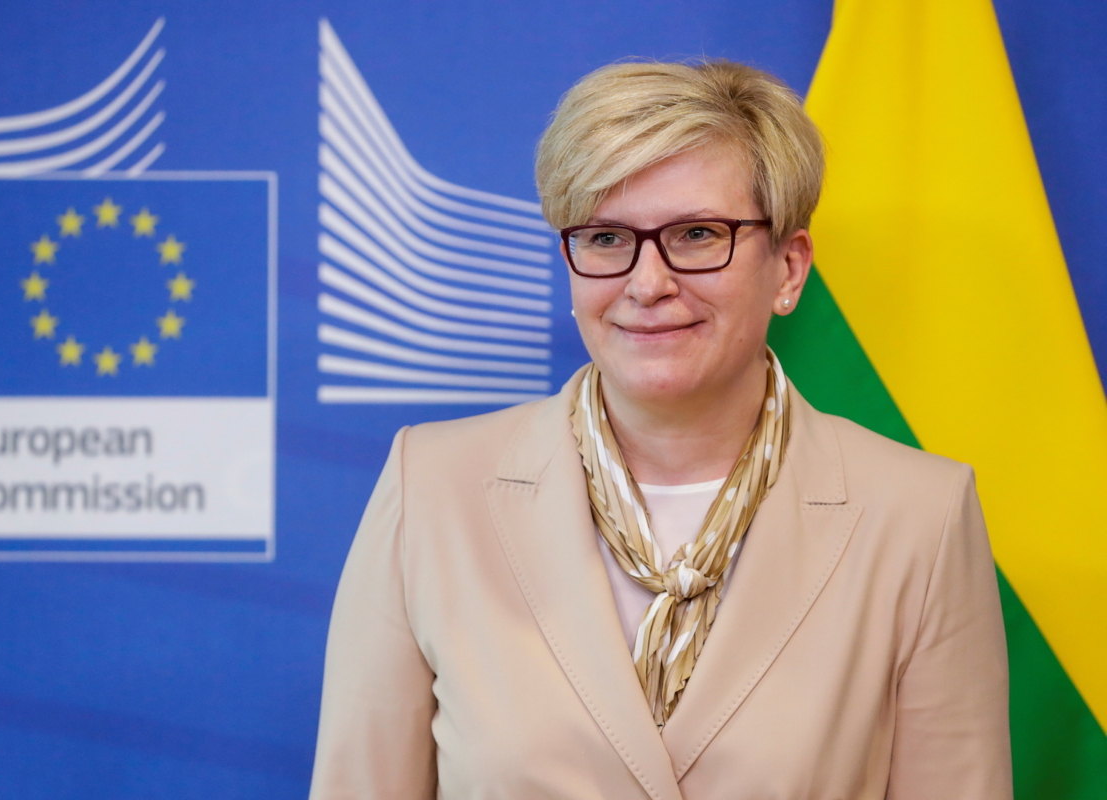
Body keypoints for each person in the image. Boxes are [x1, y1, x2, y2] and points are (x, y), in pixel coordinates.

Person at [309, 60, 1011, 799]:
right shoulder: (432, 491)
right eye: (608, 238)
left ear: (789, 268)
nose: (648, 284)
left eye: (699, 233)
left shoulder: (918, 516)